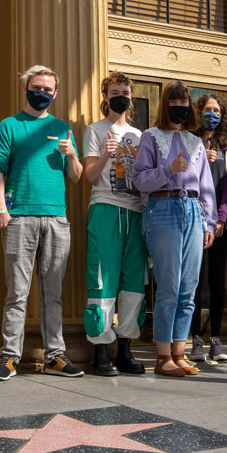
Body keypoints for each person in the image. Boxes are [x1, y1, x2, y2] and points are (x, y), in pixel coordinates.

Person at [0, 65, 84, 381]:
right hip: (19, 218)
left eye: (47, 88)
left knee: (52, 293)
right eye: (36, 86)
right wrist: (1, 208)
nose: (41, 92)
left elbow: (77, 176)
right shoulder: (9, 126)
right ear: (26, 88)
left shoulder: (62, 127)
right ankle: (9, 358)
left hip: (56, 218)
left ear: (55, 94)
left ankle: (55, 356)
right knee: (17, 292)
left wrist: (72, 155)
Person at [132, 81, 217, 377]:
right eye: (175, 101)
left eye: (184, 102)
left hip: (194, 210)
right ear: (165, 103)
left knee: (189, 287)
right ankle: (162, 355)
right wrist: (169, 170)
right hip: (163, 208)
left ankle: (180, 353)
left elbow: (206, 186)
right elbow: (139, 180)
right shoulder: (150, 137)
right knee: (169, 286)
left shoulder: (196, 142)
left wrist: (210, 222)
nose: (180, 106)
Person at [82, 72, 147, 375]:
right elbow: (90, 176)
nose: (121, 96)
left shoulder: (140, 135)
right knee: (102, 279)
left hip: (136, 212)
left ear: (131, 97)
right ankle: (100, 350)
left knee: (134, 281)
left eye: (125, 91)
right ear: (106, 96)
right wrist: (107, 156)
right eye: (115, 91)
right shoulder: (95, 130)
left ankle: (125, 348)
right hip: (106, 209)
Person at [189, 93, 227, 363]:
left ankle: (216, 338)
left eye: (216, 110)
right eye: (207, 109)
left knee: (217, 281)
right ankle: (195, 338)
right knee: (196, 281)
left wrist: (220, 218)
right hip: (194, 219)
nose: (212, 114)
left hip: (222, 223)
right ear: (198, 112)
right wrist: (202, 161)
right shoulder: (191, 140)